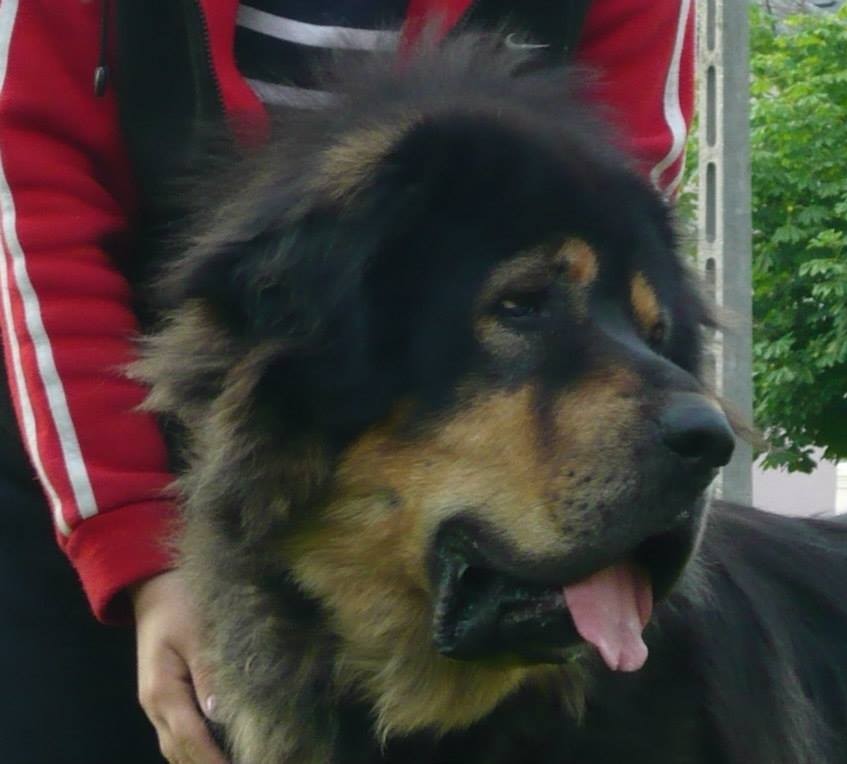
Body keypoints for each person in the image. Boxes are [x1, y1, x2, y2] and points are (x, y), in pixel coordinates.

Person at [0, 2, 694, 762]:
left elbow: (619, 227)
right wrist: (134, 546)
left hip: (468, 529)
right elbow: (38, 203)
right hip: (92, 437)